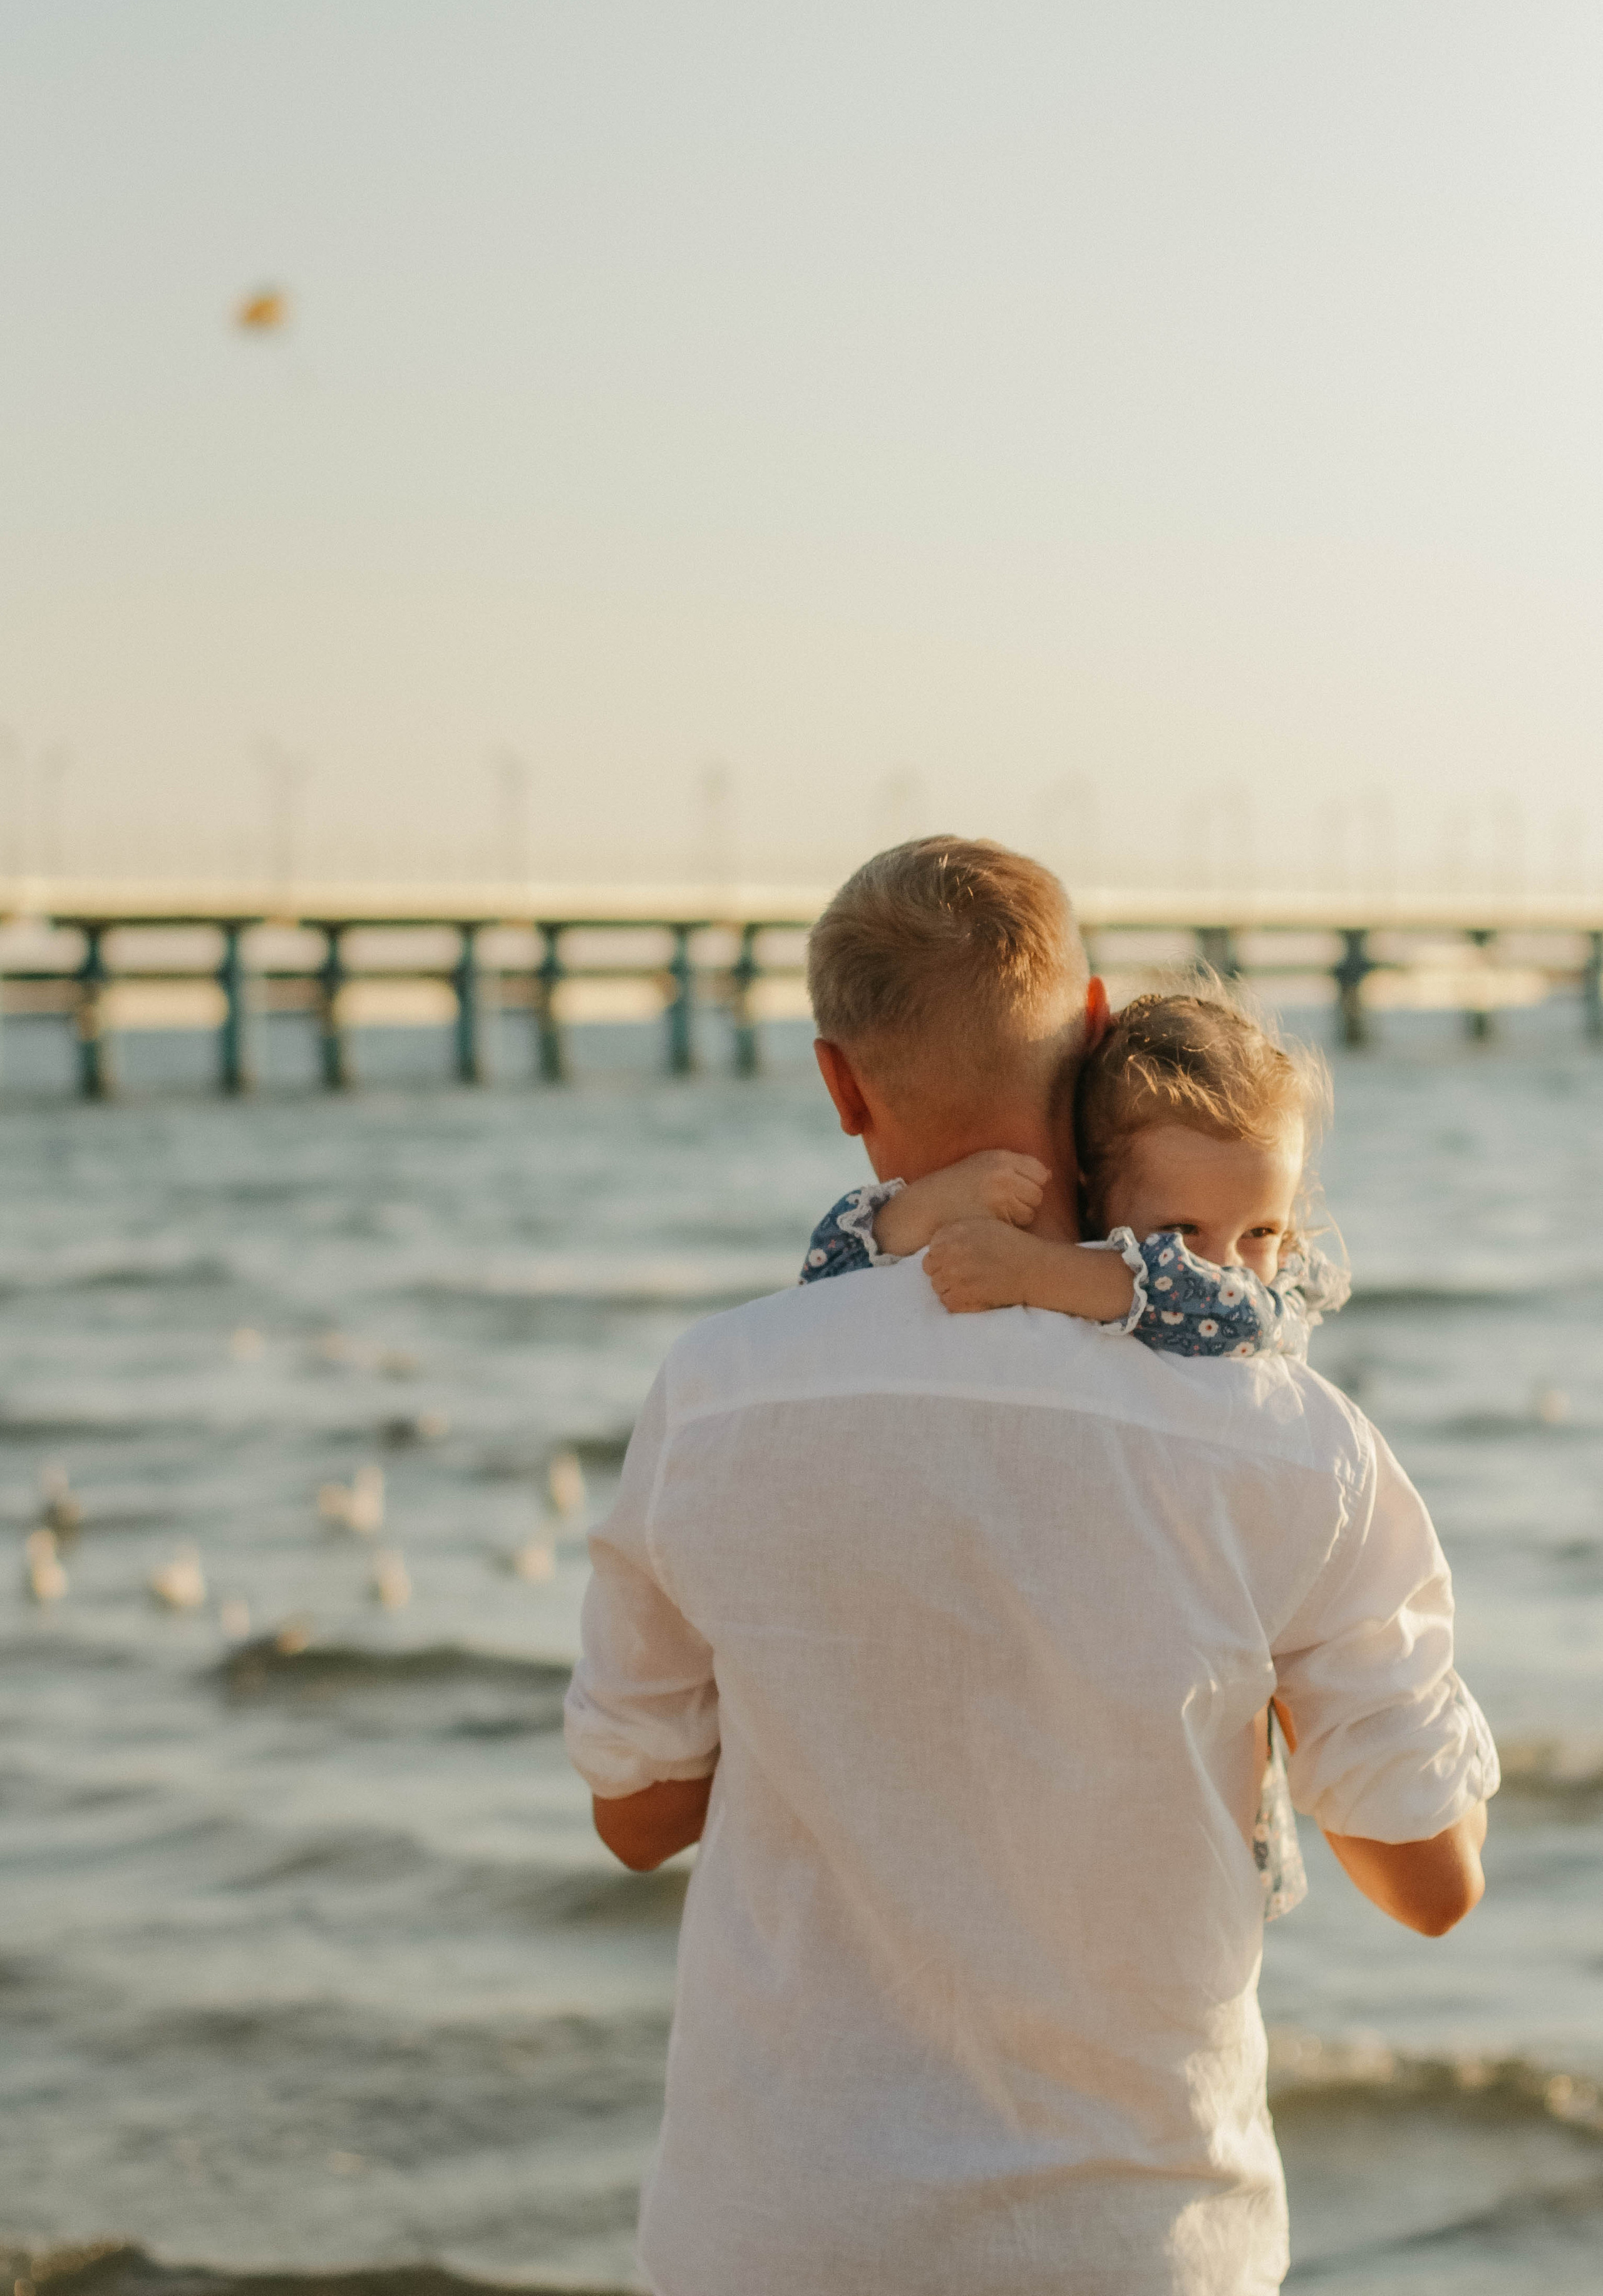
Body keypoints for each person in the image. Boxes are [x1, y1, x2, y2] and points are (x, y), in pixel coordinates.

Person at [564, 838, 1497, 2296]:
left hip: (773, 2233)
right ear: (1093, 1021)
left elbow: (635, 1816)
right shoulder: (1289, 1444)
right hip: (1135, 2239)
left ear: (839, 1084)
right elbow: (1428, 1884)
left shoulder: (717, 1393)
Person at [798, 980, 1353, 1924]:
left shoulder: (1261, 1301)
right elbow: (824, 1283)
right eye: (1180, 1231)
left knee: (1191, 1870)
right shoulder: (1095, 1296)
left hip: (1189, 1669)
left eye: (1261, 1231)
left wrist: (1043, 1272)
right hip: (1044, 1659)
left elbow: (1236, 1310)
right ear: (1097, 1201)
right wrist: (921, 1210)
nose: (1225, 1259)